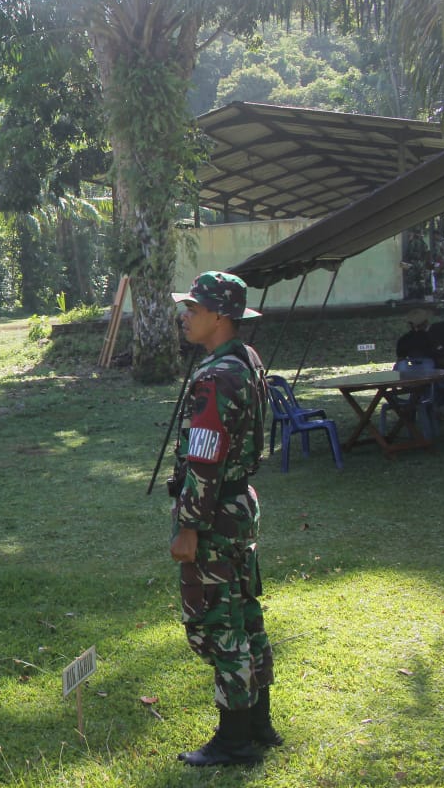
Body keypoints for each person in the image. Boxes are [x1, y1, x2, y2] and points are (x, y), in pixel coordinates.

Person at [168, 272, 278, 766]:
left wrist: (188, 526)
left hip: (215, 512)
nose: (185, 316)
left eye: (193, 308)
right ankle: (258, 724)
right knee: (245, 612)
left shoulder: (215, 377)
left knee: (219, 619)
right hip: (241, 504)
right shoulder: (246, 360)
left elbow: (205, 457)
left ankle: (235, 742)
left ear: (219, 316)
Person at [401, 231, 431, 301]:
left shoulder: (413, 242)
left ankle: (412, 295)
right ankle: (421, 295)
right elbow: (427, 253)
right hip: (421, 263)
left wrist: (405, 261)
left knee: (411, 279)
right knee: (420, 279)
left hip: (413, 263)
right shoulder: (423, 243)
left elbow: (409, 253)